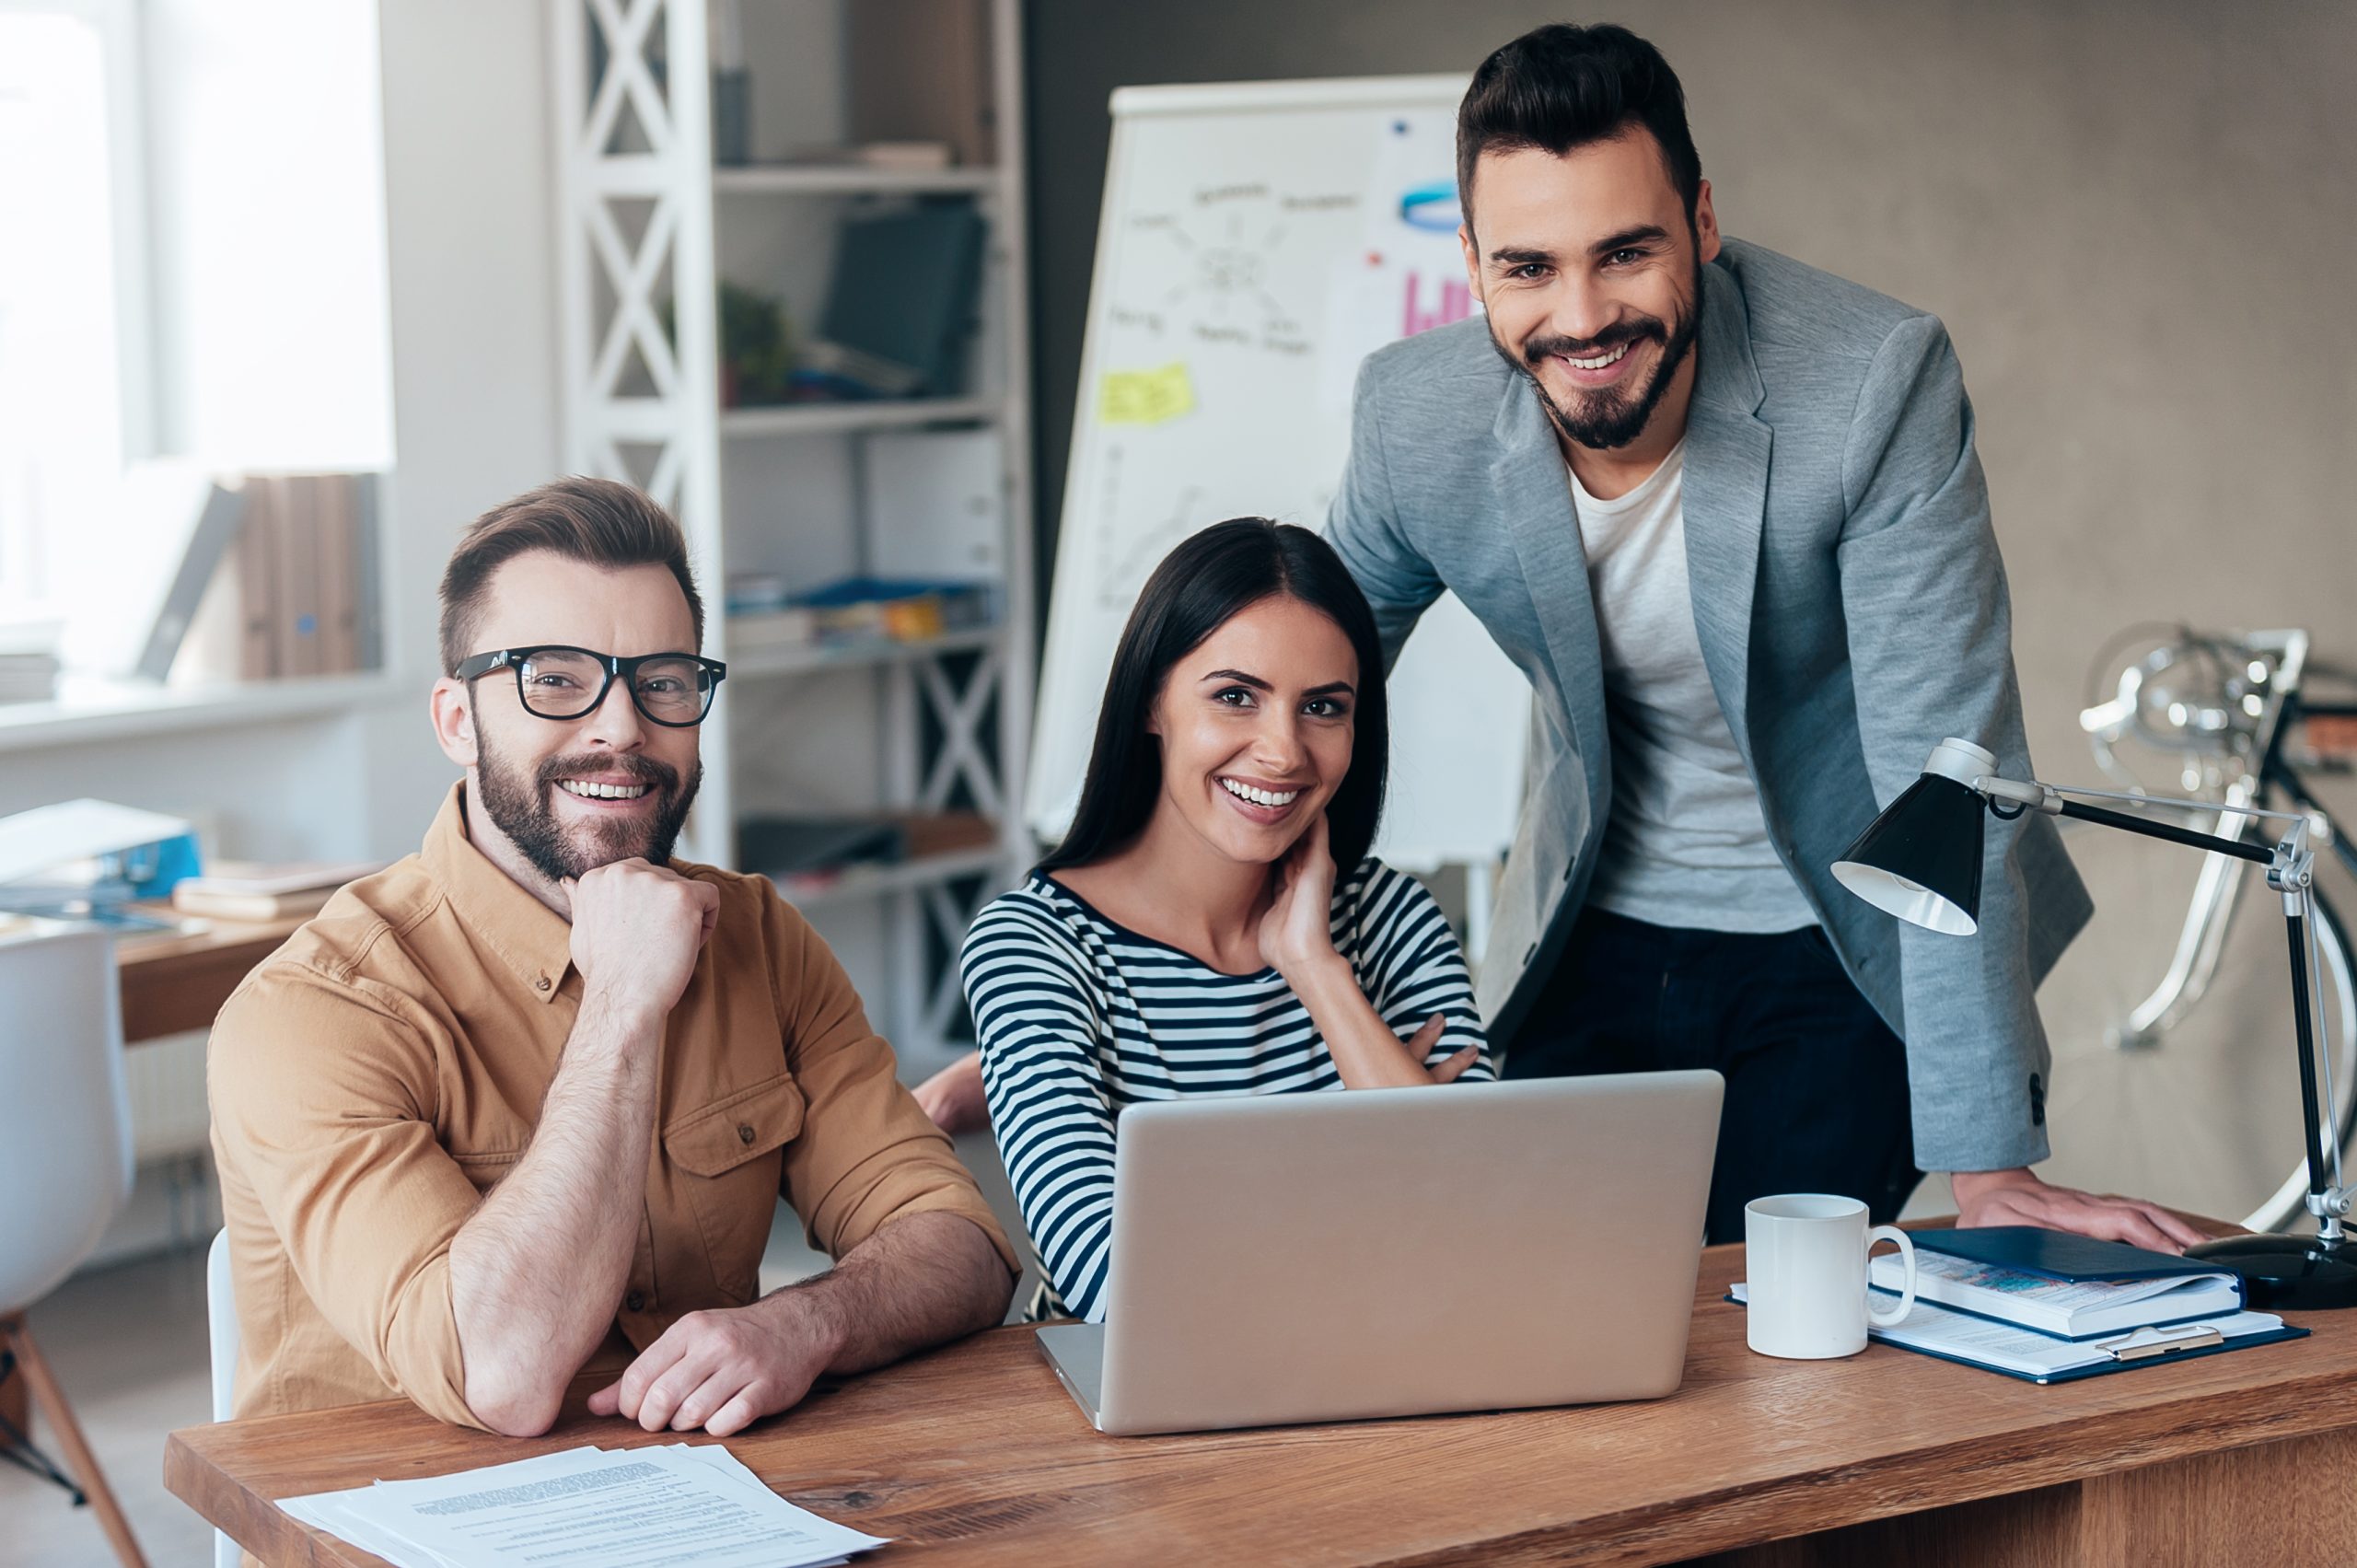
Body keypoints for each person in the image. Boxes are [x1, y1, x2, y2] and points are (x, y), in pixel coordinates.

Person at [1321, 22, 2202, 1251]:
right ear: (1472, 264)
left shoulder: (1870, 383)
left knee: (1769, 1339)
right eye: (1529, 267)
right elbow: (1293, 691)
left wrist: (1988, 1160)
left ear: (1702, 220)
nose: (1581, 318)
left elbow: (1944, 768)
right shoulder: (1412, 416)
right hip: (1597, 918)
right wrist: (1121, 945)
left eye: (1625, 251)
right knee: (1550, 1297)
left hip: (1844, 930)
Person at [209, 478, 1016, 1438]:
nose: (622, 727)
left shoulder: (758, 935)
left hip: (708, 1510)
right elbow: (499, 1372)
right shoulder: (313, 1010)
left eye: (664, 680)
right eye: (553, 677)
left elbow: (964, 1247)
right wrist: (624, 1003)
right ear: (456, 718)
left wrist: (806, 1321)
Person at [958, 519, 1492, 1321]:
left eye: (1323, 707)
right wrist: (1371, 1185)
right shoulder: (1034, 946)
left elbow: (1478, 1232)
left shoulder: (1389, 917)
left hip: (1388, 1390)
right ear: (1151, 701)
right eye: (1235, 696)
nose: (1283, 751)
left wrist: (1315, 967)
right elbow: (1118, 1279)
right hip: (1147, 1421)